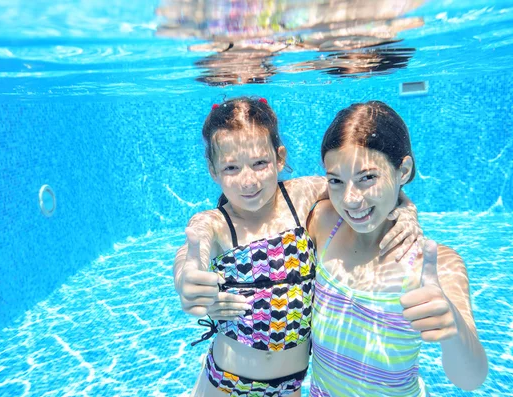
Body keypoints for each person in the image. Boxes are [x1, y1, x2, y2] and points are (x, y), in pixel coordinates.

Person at [173, 97, 423, 396]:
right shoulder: (216, 223)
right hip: (226, 383)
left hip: (291, 386)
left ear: (279, 157)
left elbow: (362, 187)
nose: (248, 180)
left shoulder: (301, 198)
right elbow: (193, 248)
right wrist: (188, 278)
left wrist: (405, 207)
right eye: (231, 168)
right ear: (213, 171)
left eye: (260, 163)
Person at [307, 101, 489, 396]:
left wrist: (452, 326)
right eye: (337, 181)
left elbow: (471, 379)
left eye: (368, 177)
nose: (351, 200)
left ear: (402, 170)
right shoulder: (324, 222)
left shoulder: (434, 262)